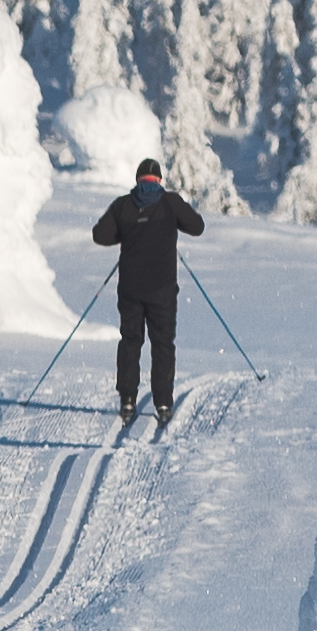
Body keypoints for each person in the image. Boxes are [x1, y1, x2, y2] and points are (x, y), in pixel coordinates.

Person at [88, 154, 208, 431]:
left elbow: (100, 235)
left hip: (130, 288)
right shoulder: (170, 203)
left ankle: (127, 399)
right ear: (159, 180)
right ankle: (163, 403)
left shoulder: (123, 205)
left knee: (130, 341)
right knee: (162, 344)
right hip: (163, 289)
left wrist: (127, 235)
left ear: (138, 180)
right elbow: (197, 227)